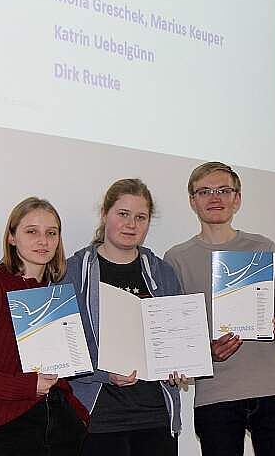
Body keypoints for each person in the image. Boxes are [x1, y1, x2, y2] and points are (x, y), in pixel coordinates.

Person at [164, 162, 275, 456]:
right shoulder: (176, 258)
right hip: (215, 393)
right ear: (192, 201)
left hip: (271, 387)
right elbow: (177, 339)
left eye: (223, 190)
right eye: (204, 191)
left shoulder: (262, 246)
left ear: (237, 198)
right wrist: (205, 352)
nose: (215, 198)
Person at [0, 197, 88, 456]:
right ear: (12, 237)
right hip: (4, 429)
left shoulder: (56, 296)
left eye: (51, 233)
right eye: (32, 231)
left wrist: (78, 415)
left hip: (61, 426)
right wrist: (26, 386)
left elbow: (58, 369)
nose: (43, 241)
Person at [65, 178, 183, 456]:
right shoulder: (73, 272)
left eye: (141, 217)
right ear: (104, 214)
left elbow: (176, 338)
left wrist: (179, 365)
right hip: (98, 419)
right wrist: (105, 374)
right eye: (123, 214)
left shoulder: (162, 272)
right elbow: (64, 350)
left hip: (155, 416)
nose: (131, 224)